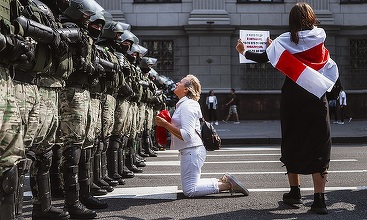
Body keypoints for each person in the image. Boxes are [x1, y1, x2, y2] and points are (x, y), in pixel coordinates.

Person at [235, 2, 339, 215]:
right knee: (319, 145)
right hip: (316, 98)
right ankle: (319, 200)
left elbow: (264, 57)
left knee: (292, 140)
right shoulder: (320, 38)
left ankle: (295, 192)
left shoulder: (284, 40)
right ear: (312, 18)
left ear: (291, 20)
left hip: (293, 98)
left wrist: (244, 51)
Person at [155, 74, 249, 197]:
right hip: (190, 151)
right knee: (191, 186)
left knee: (190, 190)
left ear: (186, 89)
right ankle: (223, 181)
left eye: (181, 82)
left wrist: (166, 124)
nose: (177, 83)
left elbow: (186, 135)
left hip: (192, 151)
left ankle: (228, 185)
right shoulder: (184, 104)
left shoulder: (187, 105)